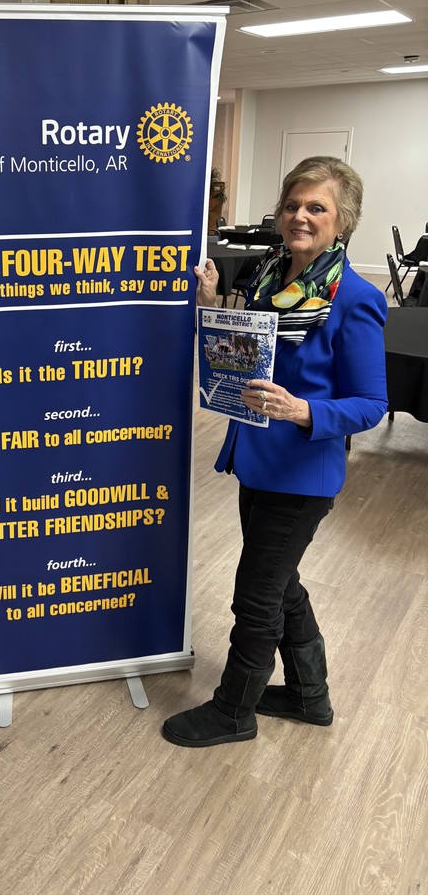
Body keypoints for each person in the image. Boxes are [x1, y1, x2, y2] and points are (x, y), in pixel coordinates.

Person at [163, 156, 388, 747]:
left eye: (317, 207)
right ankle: (311, 698)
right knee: (282, 583)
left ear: (344, 221)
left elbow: (371, 403)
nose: (301, 216)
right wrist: (213, 301)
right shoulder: (269, 278)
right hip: (255, 458)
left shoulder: (353, 298)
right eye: (293, 204)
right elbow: (243, 352)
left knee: (256, 595)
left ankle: (233, 712)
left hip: (302, 471)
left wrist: (305, 410)